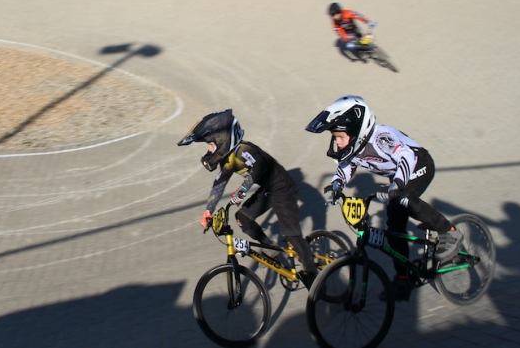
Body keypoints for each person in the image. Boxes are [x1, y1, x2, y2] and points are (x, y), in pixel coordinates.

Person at [305, 95, 463, 301]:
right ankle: (403, 279)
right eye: (335, 137)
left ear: (357, 131)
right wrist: (336, 185)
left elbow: (406, 157)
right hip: (397, 177)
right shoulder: (354, 147)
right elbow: (345, 167)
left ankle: (449, 231)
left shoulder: (381, 138)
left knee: (405, 199)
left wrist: (396, 184)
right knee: (394, 230)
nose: (337, 142)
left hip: (419, 165)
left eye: (340, 137)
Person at [178, 109, 319, 287]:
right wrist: (208, 211)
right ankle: (271, 249)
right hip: (268, 190)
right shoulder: (228, 159)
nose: (209, 150)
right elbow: (219, 184)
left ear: (222, 140)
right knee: (243, 217)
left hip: (283, 189)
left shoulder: (243, 150)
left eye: (210, 145)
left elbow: (259, 167)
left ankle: (312, 273)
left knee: (291, 233)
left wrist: (243, 188)